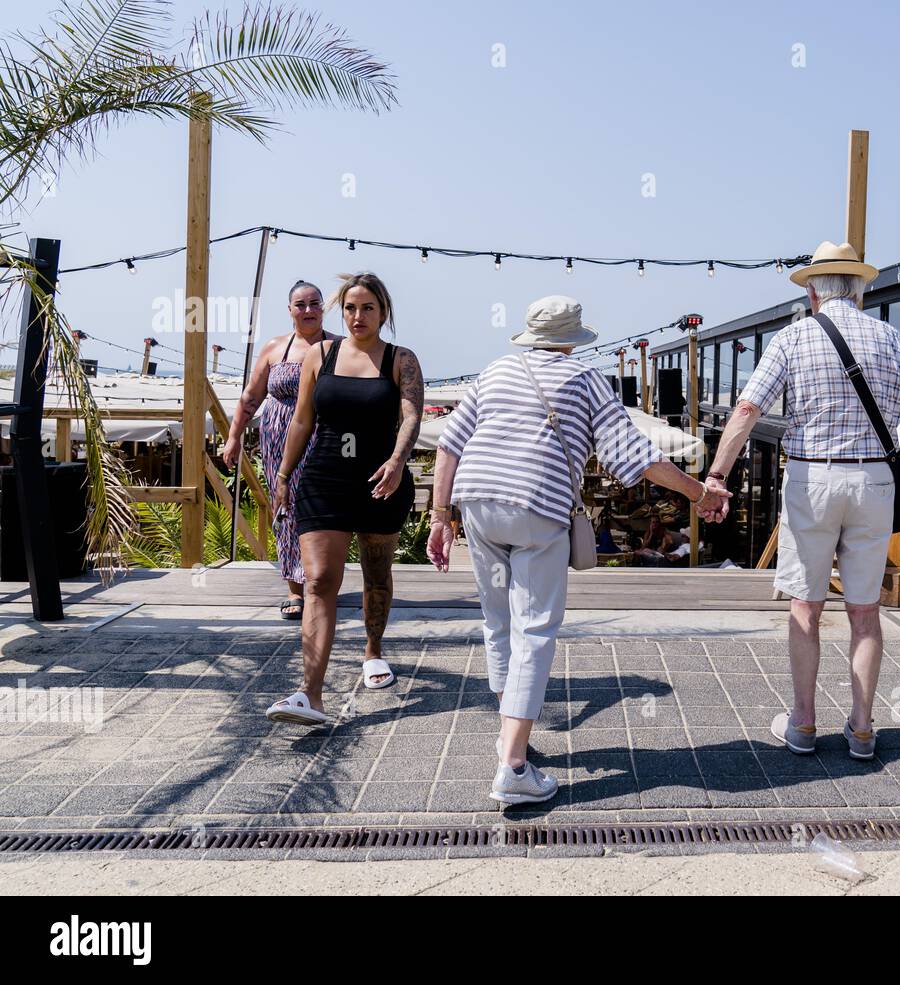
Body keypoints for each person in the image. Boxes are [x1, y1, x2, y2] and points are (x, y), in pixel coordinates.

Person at [425, 295, 729, 807]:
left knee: (498, 621)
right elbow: (637, 456)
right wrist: (699, 494)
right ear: (572, 339)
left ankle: (509, 738)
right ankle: (514, 766)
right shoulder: (585, 380)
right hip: (536, 506)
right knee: (536, 626)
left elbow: (449, 445)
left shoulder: (495, 371)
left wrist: (439, 517)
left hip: (477, 503)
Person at [701, 241, 900, 762]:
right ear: (858, 289)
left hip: (812, 481)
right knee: (865, 611)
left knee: (806, 606)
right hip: (875, 482)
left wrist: (716, 475)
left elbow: (746, 409)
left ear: (813, 291)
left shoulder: (793, 339)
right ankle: (861, 728)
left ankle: (804, 723)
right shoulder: (891, 338)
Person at [265, 273, 423, 726]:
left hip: (380, 480)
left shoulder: (400, 359)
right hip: (324, 478)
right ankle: (309, 694)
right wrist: (282, 473)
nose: (358, 316)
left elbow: (411, 415)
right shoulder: (320, 355)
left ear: (383, 312)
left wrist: (396, 461)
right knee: (318, 583)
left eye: (368, 308)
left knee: (376, 575)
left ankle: (373, 651)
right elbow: (300, 421)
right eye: (351, 308)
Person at [220, 281, 340, 618]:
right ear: (290, 310)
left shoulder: (340, 347)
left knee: (320, 508)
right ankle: (295, 589)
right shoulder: (275, 348)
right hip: (277, 438)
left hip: (322, 436)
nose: (308, 310)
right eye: (300, 304)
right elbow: (251, 397)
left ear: (323, 308)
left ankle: (320, 581)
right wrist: (233, 436)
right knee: (284, 507)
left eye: (315, 303)